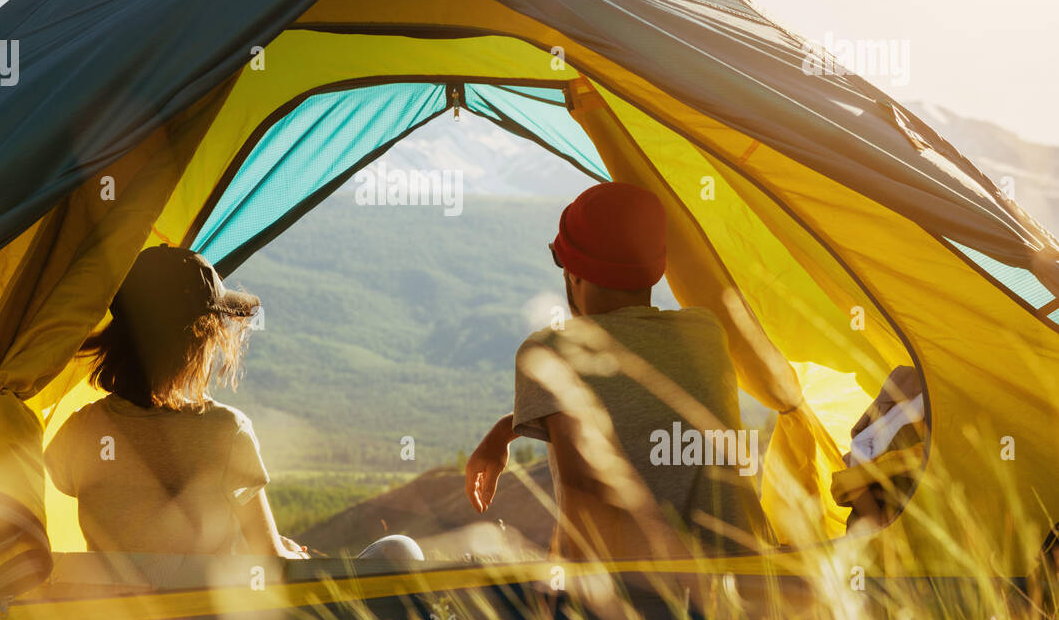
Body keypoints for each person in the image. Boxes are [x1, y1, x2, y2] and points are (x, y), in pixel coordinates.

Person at [46, 244, 421, 563]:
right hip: (205, 617)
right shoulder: (226, 431)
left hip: (115, 613)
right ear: (201, 340)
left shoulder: (80, 431)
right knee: (400, 549)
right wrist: (294, 554)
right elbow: (269, 559)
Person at [465, 182, 769, 562]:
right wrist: (509, 427)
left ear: (573, 273)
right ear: (656, 271)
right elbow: (639, 402)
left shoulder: (550, 353)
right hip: (751, 584)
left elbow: (586, 513)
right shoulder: (705, 334)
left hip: (645, 601)